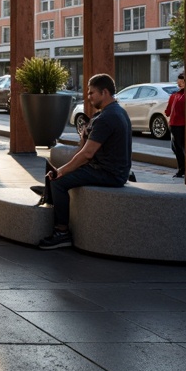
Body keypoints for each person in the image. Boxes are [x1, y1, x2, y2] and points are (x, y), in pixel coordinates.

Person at [39, 74, 132, 250]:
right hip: (116, 170)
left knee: (59, 182)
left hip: (108, 173)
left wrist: (62, 171)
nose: (88, 97)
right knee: (58, 173)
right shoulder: (118, 111)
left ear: (104, 92)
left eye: (91, 93)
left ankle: (62, 232)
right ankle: (49, 192)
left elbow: (87, 153)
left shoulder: (106, 118)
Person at [165, 72, 186, 179]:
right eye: (179, 81)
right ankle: (182, 168)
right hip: (174, 124)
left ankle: (182, 169)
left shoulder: (184, 96)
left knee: (179, 148)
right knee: (176, 148)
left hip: (182, 124)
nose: (179, 83)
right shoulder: (175, 95)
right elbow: (168, 111)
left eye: (182, 81)